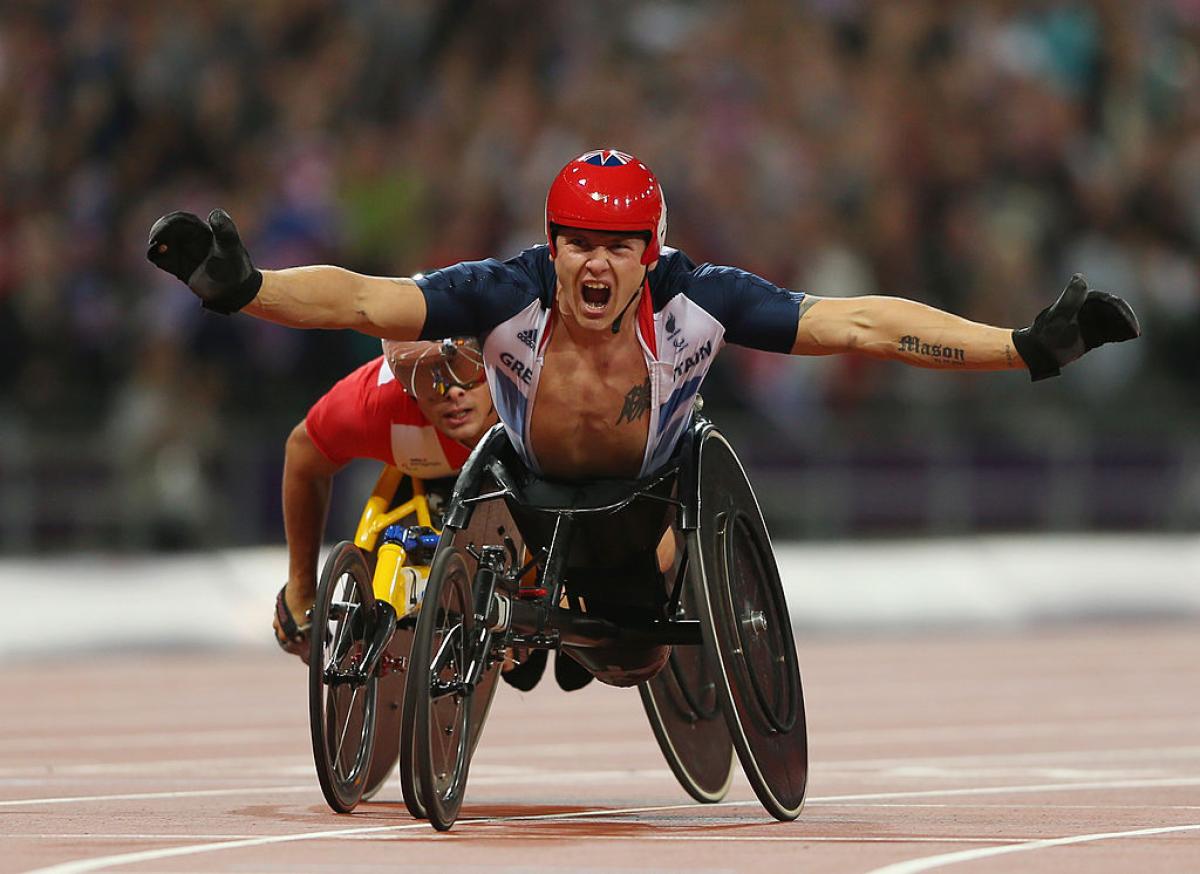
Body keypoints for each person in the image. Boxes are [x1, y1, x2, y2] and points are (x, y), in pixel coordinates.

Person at [149, 148, 1140, 684]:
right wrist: (248, 288)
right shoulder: (504, 291)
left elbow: (862, 323)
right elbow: (366, 301)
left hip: (643, 505)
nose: (594, 264)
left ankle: (621, 614)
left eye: (618, 246)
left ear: (651, 252)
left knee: (631, 658)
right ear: (551, 241)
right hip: (525, 495)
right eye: (577, 241)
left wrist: (1018, 345)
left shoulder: (699, 299)